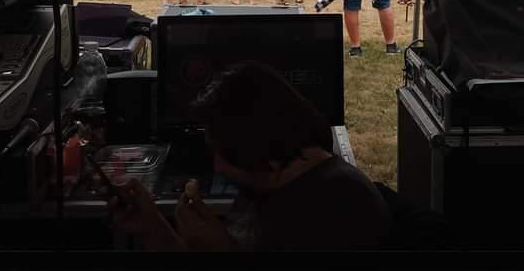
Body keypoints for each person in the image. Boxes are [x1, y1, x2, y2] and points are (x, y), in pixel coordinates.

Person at [106, 62, 391, 251]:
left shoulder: (337, 210)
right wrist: (153, 227)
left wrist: (221, 251)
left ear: (259, 150)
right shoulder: (272, 183)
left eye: (222, 154)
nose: (217, 167)